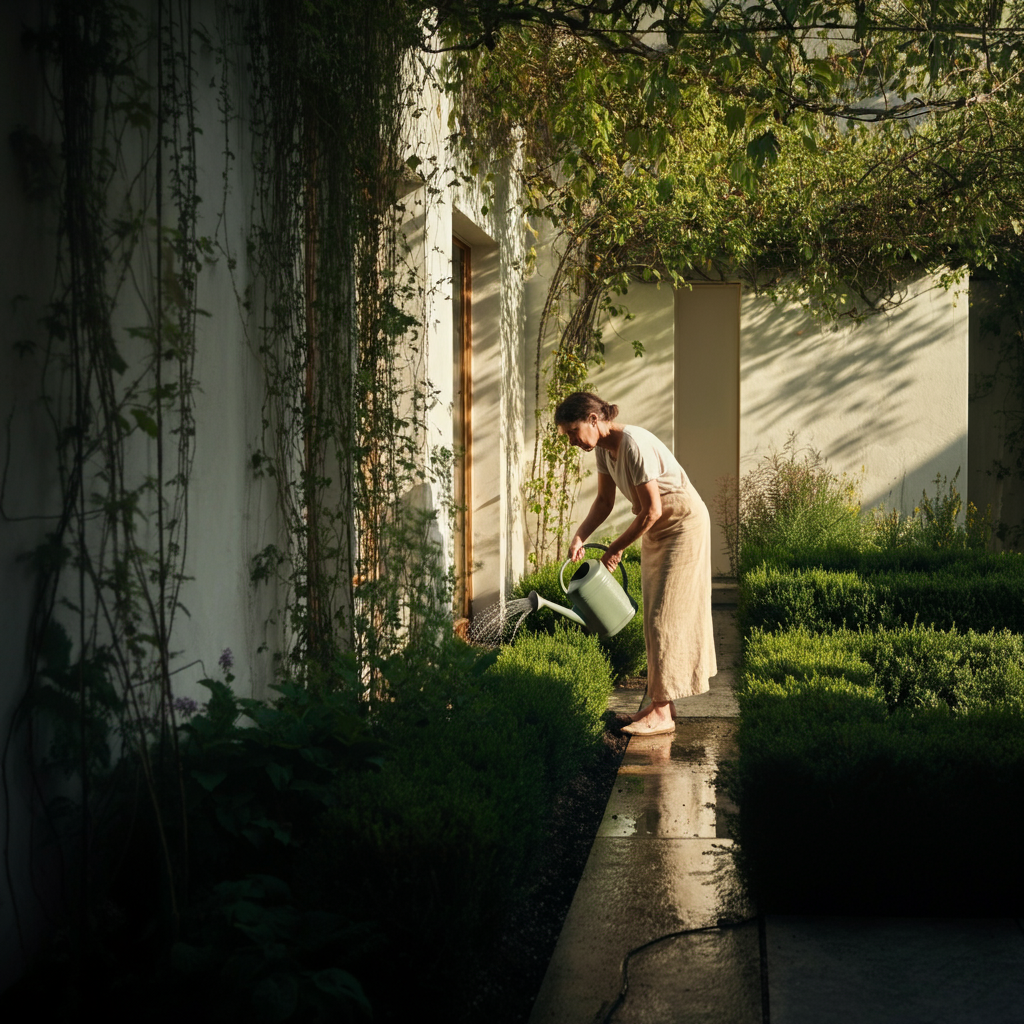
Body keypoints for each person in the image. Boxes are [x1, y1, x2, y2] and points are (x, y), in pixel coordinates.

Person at [555, 391, 717, 736]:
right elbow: (603, 501)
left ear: (594, 420)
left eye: (572, 432)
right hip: (657, 528)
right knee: (654, 616)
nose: (571, 441)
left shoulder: (634, 445)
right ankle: (662, 704)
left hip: (681, 525)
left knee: (664, 616)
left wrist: (614, 549)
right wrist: (580, 535)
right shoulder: (602, 449)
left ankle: (662, 716)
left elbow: (653, 509)